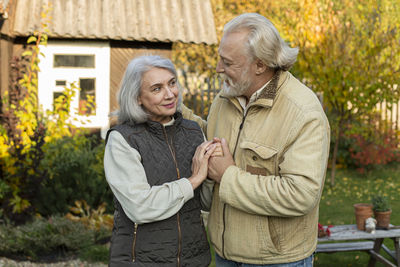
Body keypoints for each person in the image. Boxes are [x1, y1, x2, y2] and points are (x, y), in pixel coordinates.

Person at [182, 13, 330, 266]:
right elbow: (215, 138)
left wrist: (227, 175)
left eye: (228, 62)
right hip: (225, 253)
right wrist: (175, 111)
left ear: (260, 65)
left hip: (277, 260)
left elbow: (301, 194)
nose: (218, 68)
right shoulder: (226, 98)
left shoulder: (303, 113)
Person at [104, 55, 217, 267]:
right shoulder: (123, 139)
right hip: (140, 260)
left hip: (194, 259)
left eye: (172, 83)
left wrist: (211, 176)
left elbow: (206, 203)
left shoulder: (193, 132)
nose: (169, 94)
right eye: (157, 89)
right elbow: (140, 207)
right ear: (137, 97)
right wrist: (193, 180)